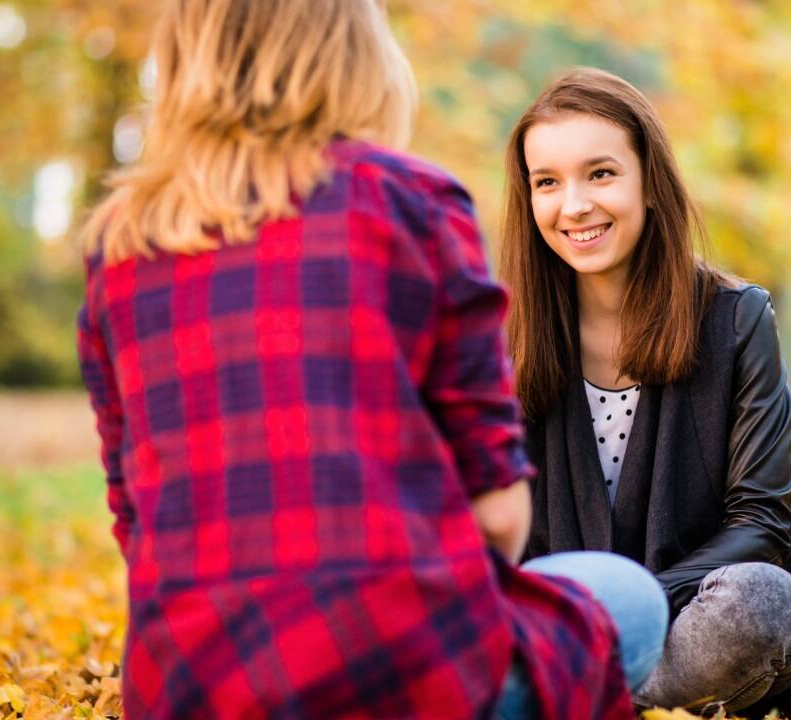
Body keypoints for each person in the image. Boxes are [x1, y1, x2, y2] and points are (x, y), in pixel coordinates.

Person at [76, 3, 666, 718]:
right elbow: (502, 517)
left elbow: (135, 523)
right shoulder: (409, 201)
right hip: (390, 670)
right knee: (627, 596)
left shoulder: (118, 250)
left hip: (189, 687)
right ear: (355, 50)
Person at [498, 67, 791, 717]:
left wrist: (632, 605)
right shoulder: (500, 336)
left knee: (764, 605)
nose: (573, 204)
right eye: (547, 182)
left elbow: (761, 521)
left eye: (600, 174)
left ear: (650, 184)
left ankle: (594, 700)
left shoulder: (737, 319)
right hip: (554, 628)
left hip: (687, 624)